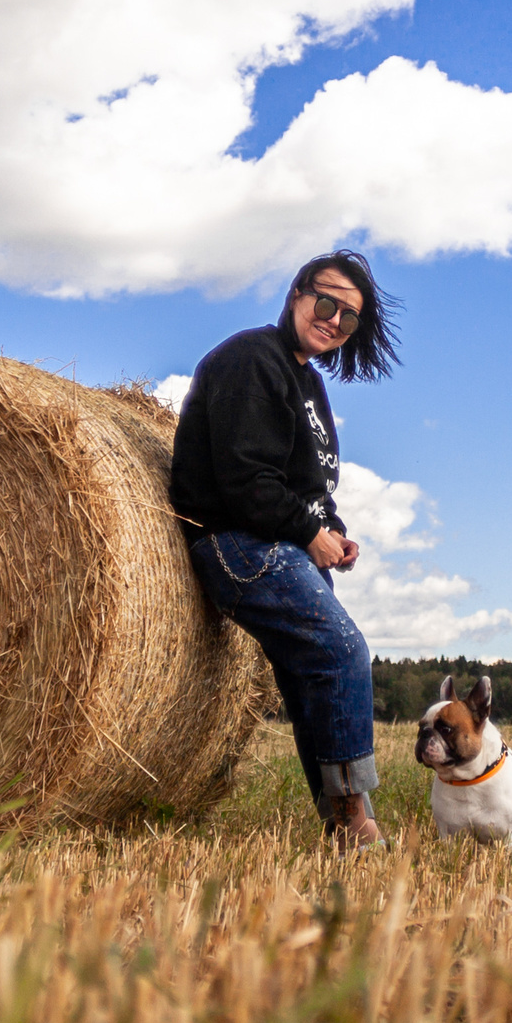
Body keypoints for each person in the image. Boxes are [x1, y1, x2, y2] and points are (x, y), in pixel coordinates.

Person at [170, 249, 399, 852]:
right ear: (298, 293)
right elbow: (246, 478)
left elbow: (309, 488)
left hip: (286, 545)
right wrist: (306, 532)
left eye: (349, 319)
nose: (334, 321)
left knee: (312, 681)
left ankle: (340, 826)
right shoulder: (251, 359)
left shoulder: (309, 385)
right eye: (327, 303)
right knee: (344, 651)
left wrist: (333, 532)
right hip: (240, 543)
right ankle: (356, 820)